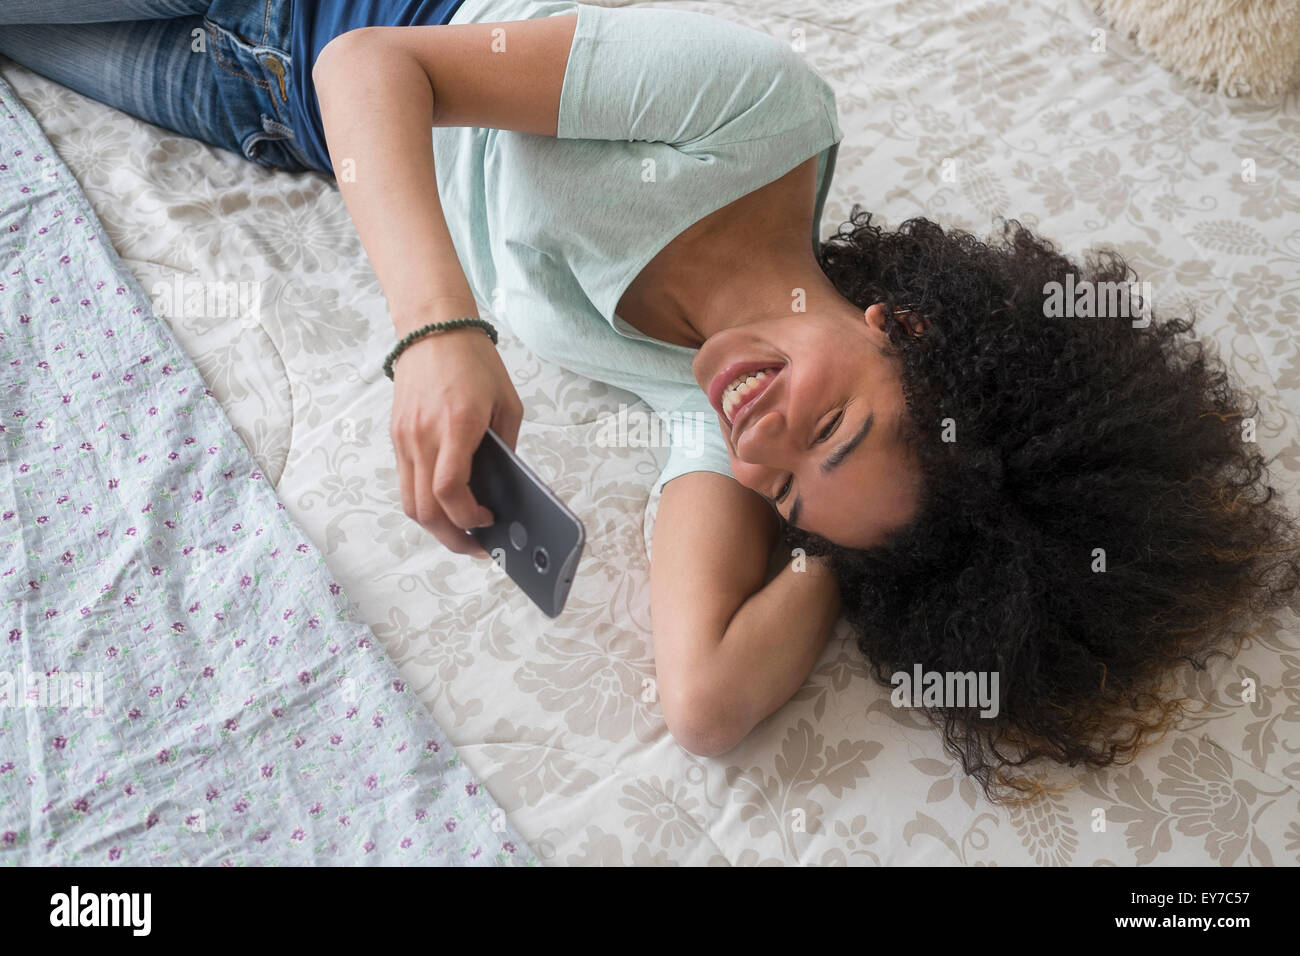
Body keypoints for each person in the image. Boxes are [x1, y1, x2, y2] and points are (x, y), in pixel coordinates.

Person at [4, 0, 1297, 804]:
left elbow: (706, 701)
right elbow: (370, 65)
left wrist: (867, 558)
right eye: (832, 426)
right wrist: (437, 333)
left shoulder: (703, 423)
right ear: (908, 324)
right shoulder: (754, 114)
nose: (760, 438)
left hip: (246, 103)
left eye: (787, 491)